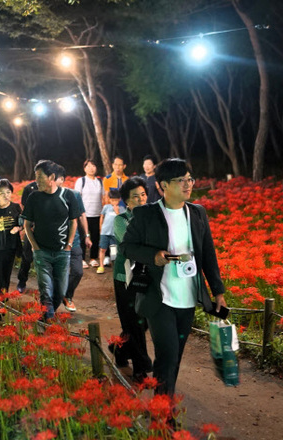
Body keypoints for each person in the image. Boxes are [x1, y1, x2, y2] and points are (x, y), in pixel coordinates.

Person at [119, 158, 228, 397]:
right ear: (163, 185)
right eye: (180, 181)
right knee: (167, 356)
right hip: (160, 298)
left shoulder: (198, 213)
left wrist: (218, 292)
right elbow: (127, 247)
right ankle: (163, 412)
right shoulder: (147, 214)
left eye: (189, 179)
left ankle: (163, 400)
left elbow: (208, 254)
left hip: (188, 298)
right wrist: (153, 256)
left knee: (175, 356)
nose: (188, 185)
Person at [21, 160, 80, 320]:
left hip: (62, 252)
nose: (36, 181)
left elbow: (73, 221)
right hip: (42, 252)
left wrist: (69, 245)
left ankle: (44, 317)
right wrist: (34, 247)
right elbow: (27, 224)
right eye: (36, 177)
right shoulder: (34, 197)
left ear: (52, 176)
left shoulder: (67, 196)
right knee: (45, 289)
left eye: (40, 177)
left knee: (61, 291)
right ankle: (48, 320)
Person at [112, 176, 152, 382]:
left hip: (149, 277)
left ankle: (119, 348)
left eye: (143, 195)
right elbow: (131, 246)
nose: (141, 199)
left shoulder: (153, 217)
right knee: (134, 322)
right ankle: (141, 367)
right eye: (135, 197)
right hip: (125, 278)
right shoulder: (120, 221)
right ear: (126, 201)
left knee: (143, 321)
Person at [55, 165, 90, 313]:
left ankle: (67, 295)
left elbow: (81, 215)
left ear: (62, 180)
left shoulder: (74, 195)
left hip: (74, 241)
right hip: (55, 243)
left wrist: (87, 235)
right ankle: (51, 308)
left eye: (54, 178)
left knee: (78, 271)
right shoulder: (44, 196)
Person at [73, 159, 103, 268]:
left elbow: (103, 198)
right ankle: (81, 259)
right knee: (82, 237)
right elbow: (76, 198)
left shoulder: (99, 181)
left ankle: (93, 258)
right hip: (84, 215)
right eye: (88, 166)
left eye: (93, 166)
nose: (91, 168)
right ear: (84, 168)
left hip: (97, 213)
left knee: (95, 237)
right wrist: (78, 213)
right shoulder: (81, 181)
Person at [16, 172, 41, 293]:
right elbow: (23, 207)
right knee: (27, 256)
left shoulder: (50, 189)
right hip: (30, 228)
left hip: (46, 229)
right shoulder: (29, 188)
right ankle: (22, 280)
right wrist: (28, 225)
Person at [97, 189, 123, 274]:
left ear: (119, 199)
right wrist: (101, 228)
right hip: (105, 232)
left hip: (114, 234)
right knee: (102, 249)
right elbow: (102, 217)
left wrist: (117, 212)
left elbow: (121, 220)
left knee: (114, 251)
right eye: (112, 200)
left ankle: (115, 267)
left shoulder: (122, 209)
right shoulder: (106, 207)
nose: (114, 202)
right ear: (109, 199)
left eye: (116, 200)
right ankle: (101, 266)